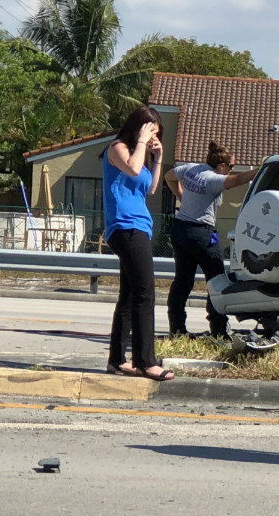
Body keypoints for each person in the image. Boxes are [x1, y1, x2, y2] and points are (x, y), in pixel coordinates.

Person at [102, 106, 174, 381]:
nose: (154, 136)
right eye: (151, 130)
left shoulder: (141, 154)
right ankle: (146, 361)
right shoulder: (118, 148)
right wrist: (142, 142)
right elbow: (132, 168)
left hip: (139, 226)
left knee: (131, 295)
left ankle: (117, 360)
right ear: (139, 127)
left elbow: (151, 187)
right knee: (146, 292)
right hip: (125, 226)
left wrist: (158, 157)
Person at [163, 141, 259, 337]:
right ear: (222, 166)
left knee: (182, 280)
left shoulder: (190, 169)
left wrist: (180, 195)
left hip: (180, 229)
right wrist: (261, 169)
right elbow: (238, 180)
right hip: (202, 232)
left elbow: (168, 176)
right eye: (231, 166)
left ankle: (177, 328)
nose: (231, 170)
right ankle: (218, 329)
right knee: (216, 279)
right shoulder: (213, 179)